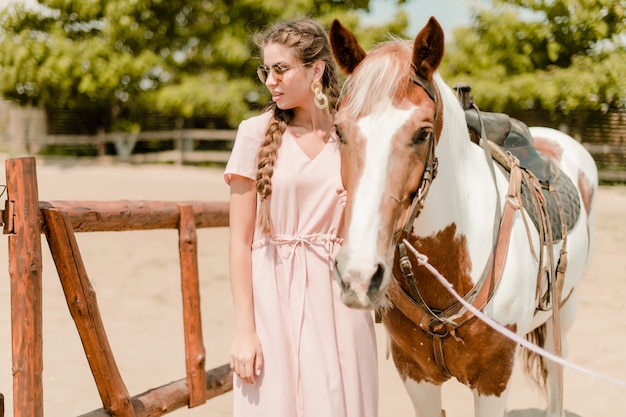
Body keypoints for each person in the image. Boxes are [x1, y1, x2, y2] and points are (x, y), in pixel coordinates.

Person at [223, 18, 379, 417]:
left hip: (340, 305)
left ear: (316, 69)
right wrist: (245, 331)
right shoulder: (253, 133)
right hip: (273, 300)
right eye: (266, 70)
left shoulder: (351, 136)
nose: (270, 81)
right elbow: (239, 243)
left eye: (280, 69)